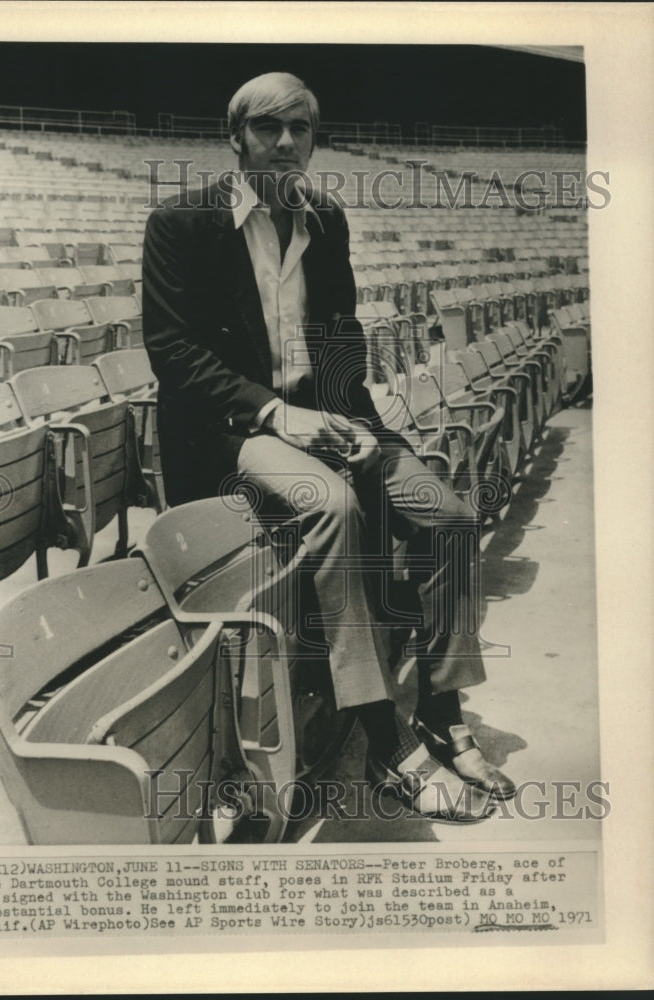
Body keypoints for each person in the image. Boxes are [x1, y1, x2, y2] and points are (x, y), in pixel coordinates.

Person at [142, 71, 515, 823]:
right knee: (333, 504)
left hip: (326, 418)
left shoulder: (326, 219)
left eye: (300, 130)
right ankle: (384, 737)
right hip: (229, 432)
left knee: (446, 518)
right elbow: (173, 352)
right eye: (267, 128)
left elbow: (339, 337)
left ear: (314, 140)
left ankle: (440, 709)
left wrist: (358, 425)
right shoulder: (181, 223)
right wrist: (278, 413)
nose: (284, 143)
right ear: (235, 136)